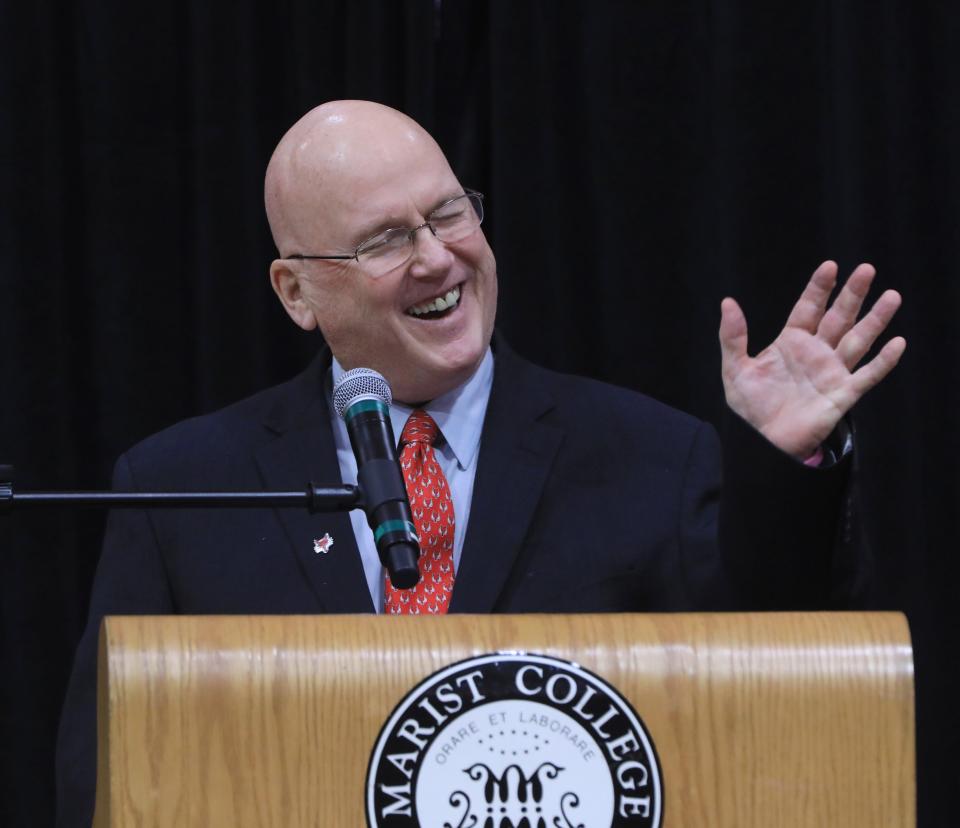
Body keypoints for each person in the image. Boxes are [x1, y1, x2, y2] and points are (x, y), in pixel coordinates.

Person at [55, 100, 904, 825]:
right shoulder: (185, 488)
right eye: (385, 239)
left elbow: (786, 678)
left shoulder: (649, 455)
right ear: (296, 292)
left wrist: (787, 464)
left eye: (450, 212)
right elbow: (106, 777)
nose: (436, 257)